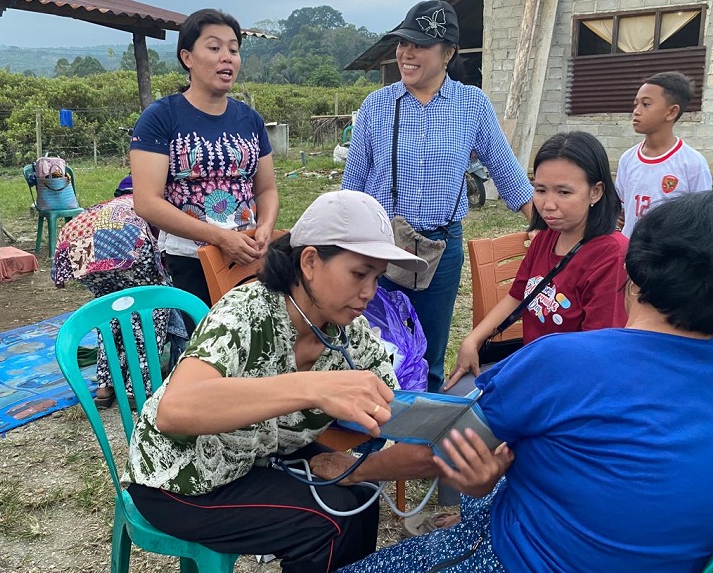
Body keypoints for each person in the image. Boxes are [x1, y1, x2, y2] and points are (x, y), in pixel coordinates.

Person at [338, 190, 713, 573]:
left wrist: (347, 469)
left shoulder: (566, 362)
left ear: (635, 268)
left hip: (530, 557)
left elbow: (444, 446)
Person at [124, 191, 439, 573]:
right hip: (180, 477)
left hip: (252, 458)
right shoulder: (247, 312)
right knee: (327, 524)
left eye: (377, 277)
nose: (369, 292)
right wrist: (312, 388)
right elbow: (176, 412)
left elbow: (401, 411)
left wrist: (447, 437)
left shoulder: (350, 337)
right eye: (359, 273)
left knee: (360, 495)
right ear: (309, 261)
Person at [342, 0, 534, 394]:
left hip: (441, 250)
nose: (406, 53)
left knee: (429, 353)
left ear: (447, 54)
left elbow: (508, 174)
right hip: (380, 248)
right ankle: (372, 446)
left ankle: (418, 446)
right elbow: (352, 187)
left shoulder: (471, 105)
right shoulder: (377, 106)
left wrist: (552, 227)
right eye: (403, 43)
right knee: (373, 354)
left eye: (419, 46)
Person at [447, 131, 628, 391]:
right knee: (452, 397)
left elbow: (598, 349)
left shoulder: (611, 255)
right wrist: (473, 340)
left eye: (564, 192)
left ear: (595, 192)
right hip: (532, 366)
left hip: (571, 383)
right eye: (540, 190)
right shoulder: (547, 237)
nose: (548, 204)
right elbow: (517, 295)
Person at [130, 9, 279, 323]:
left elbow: (266, 189)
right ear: (188, 57)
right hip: (190, 261)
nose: (227, 57)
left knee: (252, 345)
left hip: (249, 256)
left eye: (233, 50)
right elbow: (147, 202)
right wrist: (220, 238)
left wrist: (264, 228)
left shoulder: (249, 119)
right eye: (214, 48)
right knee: (204, 352)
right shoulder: (161, 117)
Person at [51, 191, 168, 408]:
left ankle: (105, 388)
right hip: (123, 241)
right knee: (150, 309)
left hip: (78, 242)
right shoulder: (155, 198)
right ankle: (137, 388)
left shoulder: (112, 203)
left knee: (111, 311)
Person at [617, 71, 712, 237]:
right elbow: (622, 211)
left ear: (671, 112)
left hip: (667, 258)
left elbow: (701, 221)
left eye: (646, 104)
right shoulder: (628, 159)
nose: (636, 111)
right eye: (635, 104)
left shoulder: (693, 164)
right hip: (629, 255)